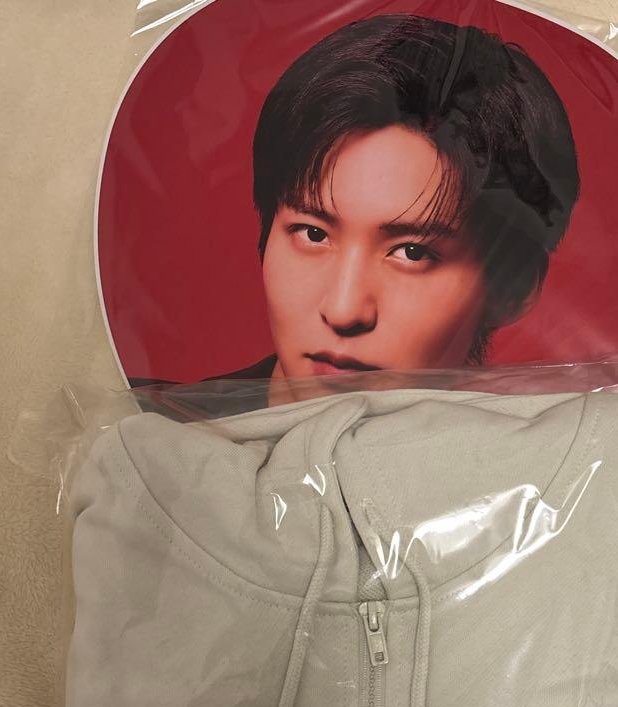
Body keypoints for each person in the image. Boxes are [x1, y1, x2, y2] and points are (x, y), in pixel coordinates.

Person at [135, 13, 580, 413]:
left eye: (412, 252)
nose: (344, 310)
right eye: (313, 234)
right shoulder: (143, 441)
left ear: (514, 289)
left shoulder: (559, 470)